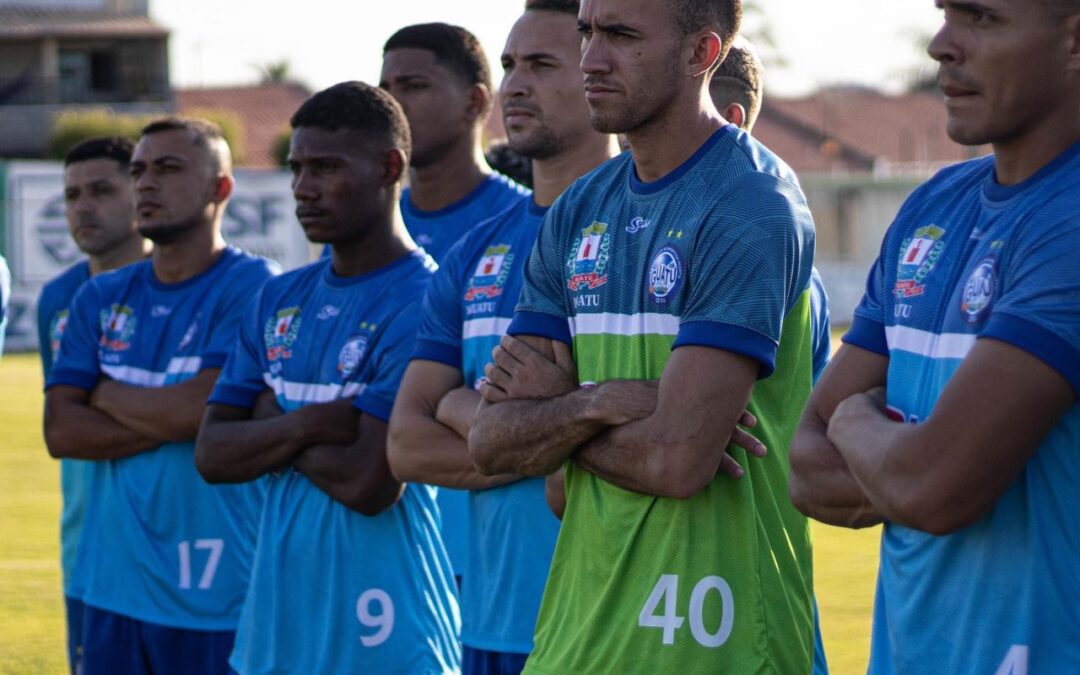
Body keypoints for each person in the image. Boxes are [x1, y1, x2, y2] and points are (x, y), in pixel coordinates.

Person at [468, 0, 820, 671]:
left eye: (622, 36)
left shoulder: (752, 203)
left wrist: (557, 420)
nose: (591, 59)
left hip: (713, 647)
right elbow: (491, 443)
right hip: (574, 643)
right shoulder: (578, 209)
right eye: (587, 32)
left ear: (702, 54)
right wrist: (591, 403)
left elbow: (675, 462)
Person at [789, 1, 1080, 672]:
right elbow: (804, 464)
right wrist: (908, 462)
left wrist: (860, 424)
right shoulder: (932, 206)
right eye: (947, 14)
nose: (941, 46)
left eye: (981, 18)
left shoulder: (1068, 221)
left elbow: (933, 487)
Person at [195, 81, 460, 674]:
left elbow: (370, 481)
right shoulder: (276, 299)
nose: (302, 188)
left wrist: (272, 422)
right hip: (275, 631)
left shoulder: (426, 298)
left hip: (387, 633)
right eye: (296, 169)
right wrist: (316, 421)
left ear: (389, 167)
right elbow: (212, 454)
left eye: (325, 167)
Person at [387, 2, 619, 673]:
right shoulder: (471, 253)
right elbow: (404, 442)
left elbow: (654, 436)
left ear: (598, 77)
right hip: (485, 625)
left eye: (543, 65)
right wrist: (549, 431)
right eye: (512, 64)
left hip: (605, 624)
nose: (516, 85)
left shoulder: (645, 232)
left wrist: (469, 409)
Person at [43, 118, 277, 675]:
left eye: (168, 169)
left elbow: (202, 410)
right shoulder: (97, 295)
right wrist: (183, 413)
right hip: (107, 584)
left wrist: (100, 392)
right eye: (140, 171)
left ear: (220, 188)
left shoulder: (255, 286)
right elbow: (62, 431)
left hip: (217, 589)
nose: (147, 183)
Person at [380, 21, 531, 583]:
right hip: (399, 554)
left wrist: (448, 410)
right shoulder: (367, 235)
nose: (390, 103)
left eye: (412, 85)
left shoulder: (526, 225)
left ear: (475, 102)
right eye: (384, 86)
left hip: (499, 553)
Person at [710, 37, 832, 675]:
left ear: (728, 124)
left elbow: (687, 445)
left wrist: (580, 409)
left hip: (750, 608)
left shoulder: (762, 257)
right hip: (664, 608)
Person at [36, 136, 151, 674]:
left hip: (188, 546)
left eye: (101, 190)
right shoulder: (56, 299)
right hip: (88, 548)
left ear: (140, 190)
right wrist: (173, 418)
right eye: (72, 195)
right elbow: (64, 426)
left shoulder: (185, 285)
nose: (83, 206)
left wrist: (104, 400)